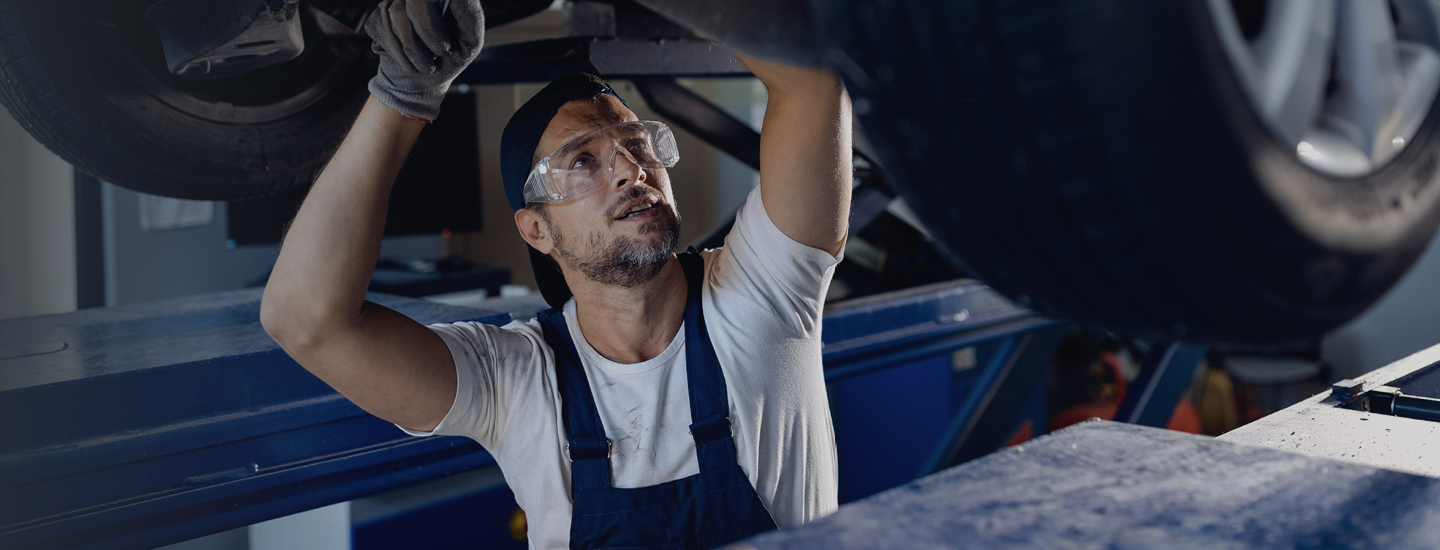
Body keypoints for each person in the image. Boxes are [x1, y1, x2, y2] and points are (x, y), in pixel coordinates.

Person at [260, 0, 852, 547]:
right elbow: (306, 320)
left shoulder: (764, 291)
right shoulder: (518, 381)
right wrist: (402, 94)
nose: (629, 170)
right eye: (583, 161)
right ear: (536, 230)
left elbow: (811, 81)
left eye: (639, 145)